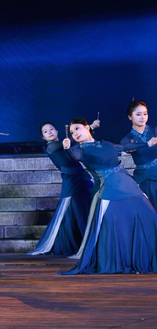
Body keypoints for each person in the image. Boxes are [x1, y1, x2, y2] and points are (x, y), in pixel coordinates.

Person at [59, 117, 157, 275]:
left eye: (77, 128)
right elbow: (75, 156)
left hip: (128, 184)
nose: (74, 133)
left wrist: (147, 143)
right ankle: (118, 262)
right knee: (113, 226)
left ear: (87, 127)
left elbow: (124, 146)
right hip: (110, 188)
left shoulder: (105, 144)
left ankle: (144, 260)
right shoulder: (80, 149)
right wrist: (67, 148)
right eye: (71, 132)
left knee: (150, 217)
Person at [28, 122, 93, 256]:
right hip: (71, 181)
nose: (50, 132)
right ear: (43, 137)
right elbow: (68, 143)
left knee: (85, 209)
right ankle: (76, 242)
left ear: (57, 131)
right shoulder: (51, 147)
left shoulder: (65, 145)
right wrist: (89, 128)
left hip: (82, 178)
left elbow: (77, 146)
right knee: (72, 212)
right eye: (46, 132)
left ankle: (89, 241)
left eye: (51, 129)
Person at [121, 100, 157, 209]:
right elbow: (127, 149)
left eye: (145, 114)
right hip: (145, 180)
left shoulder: (155, 131)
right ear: (130, 117)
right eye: (138, 114)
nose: (142, 117)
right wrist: (147, 144)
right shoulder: (128, 139)